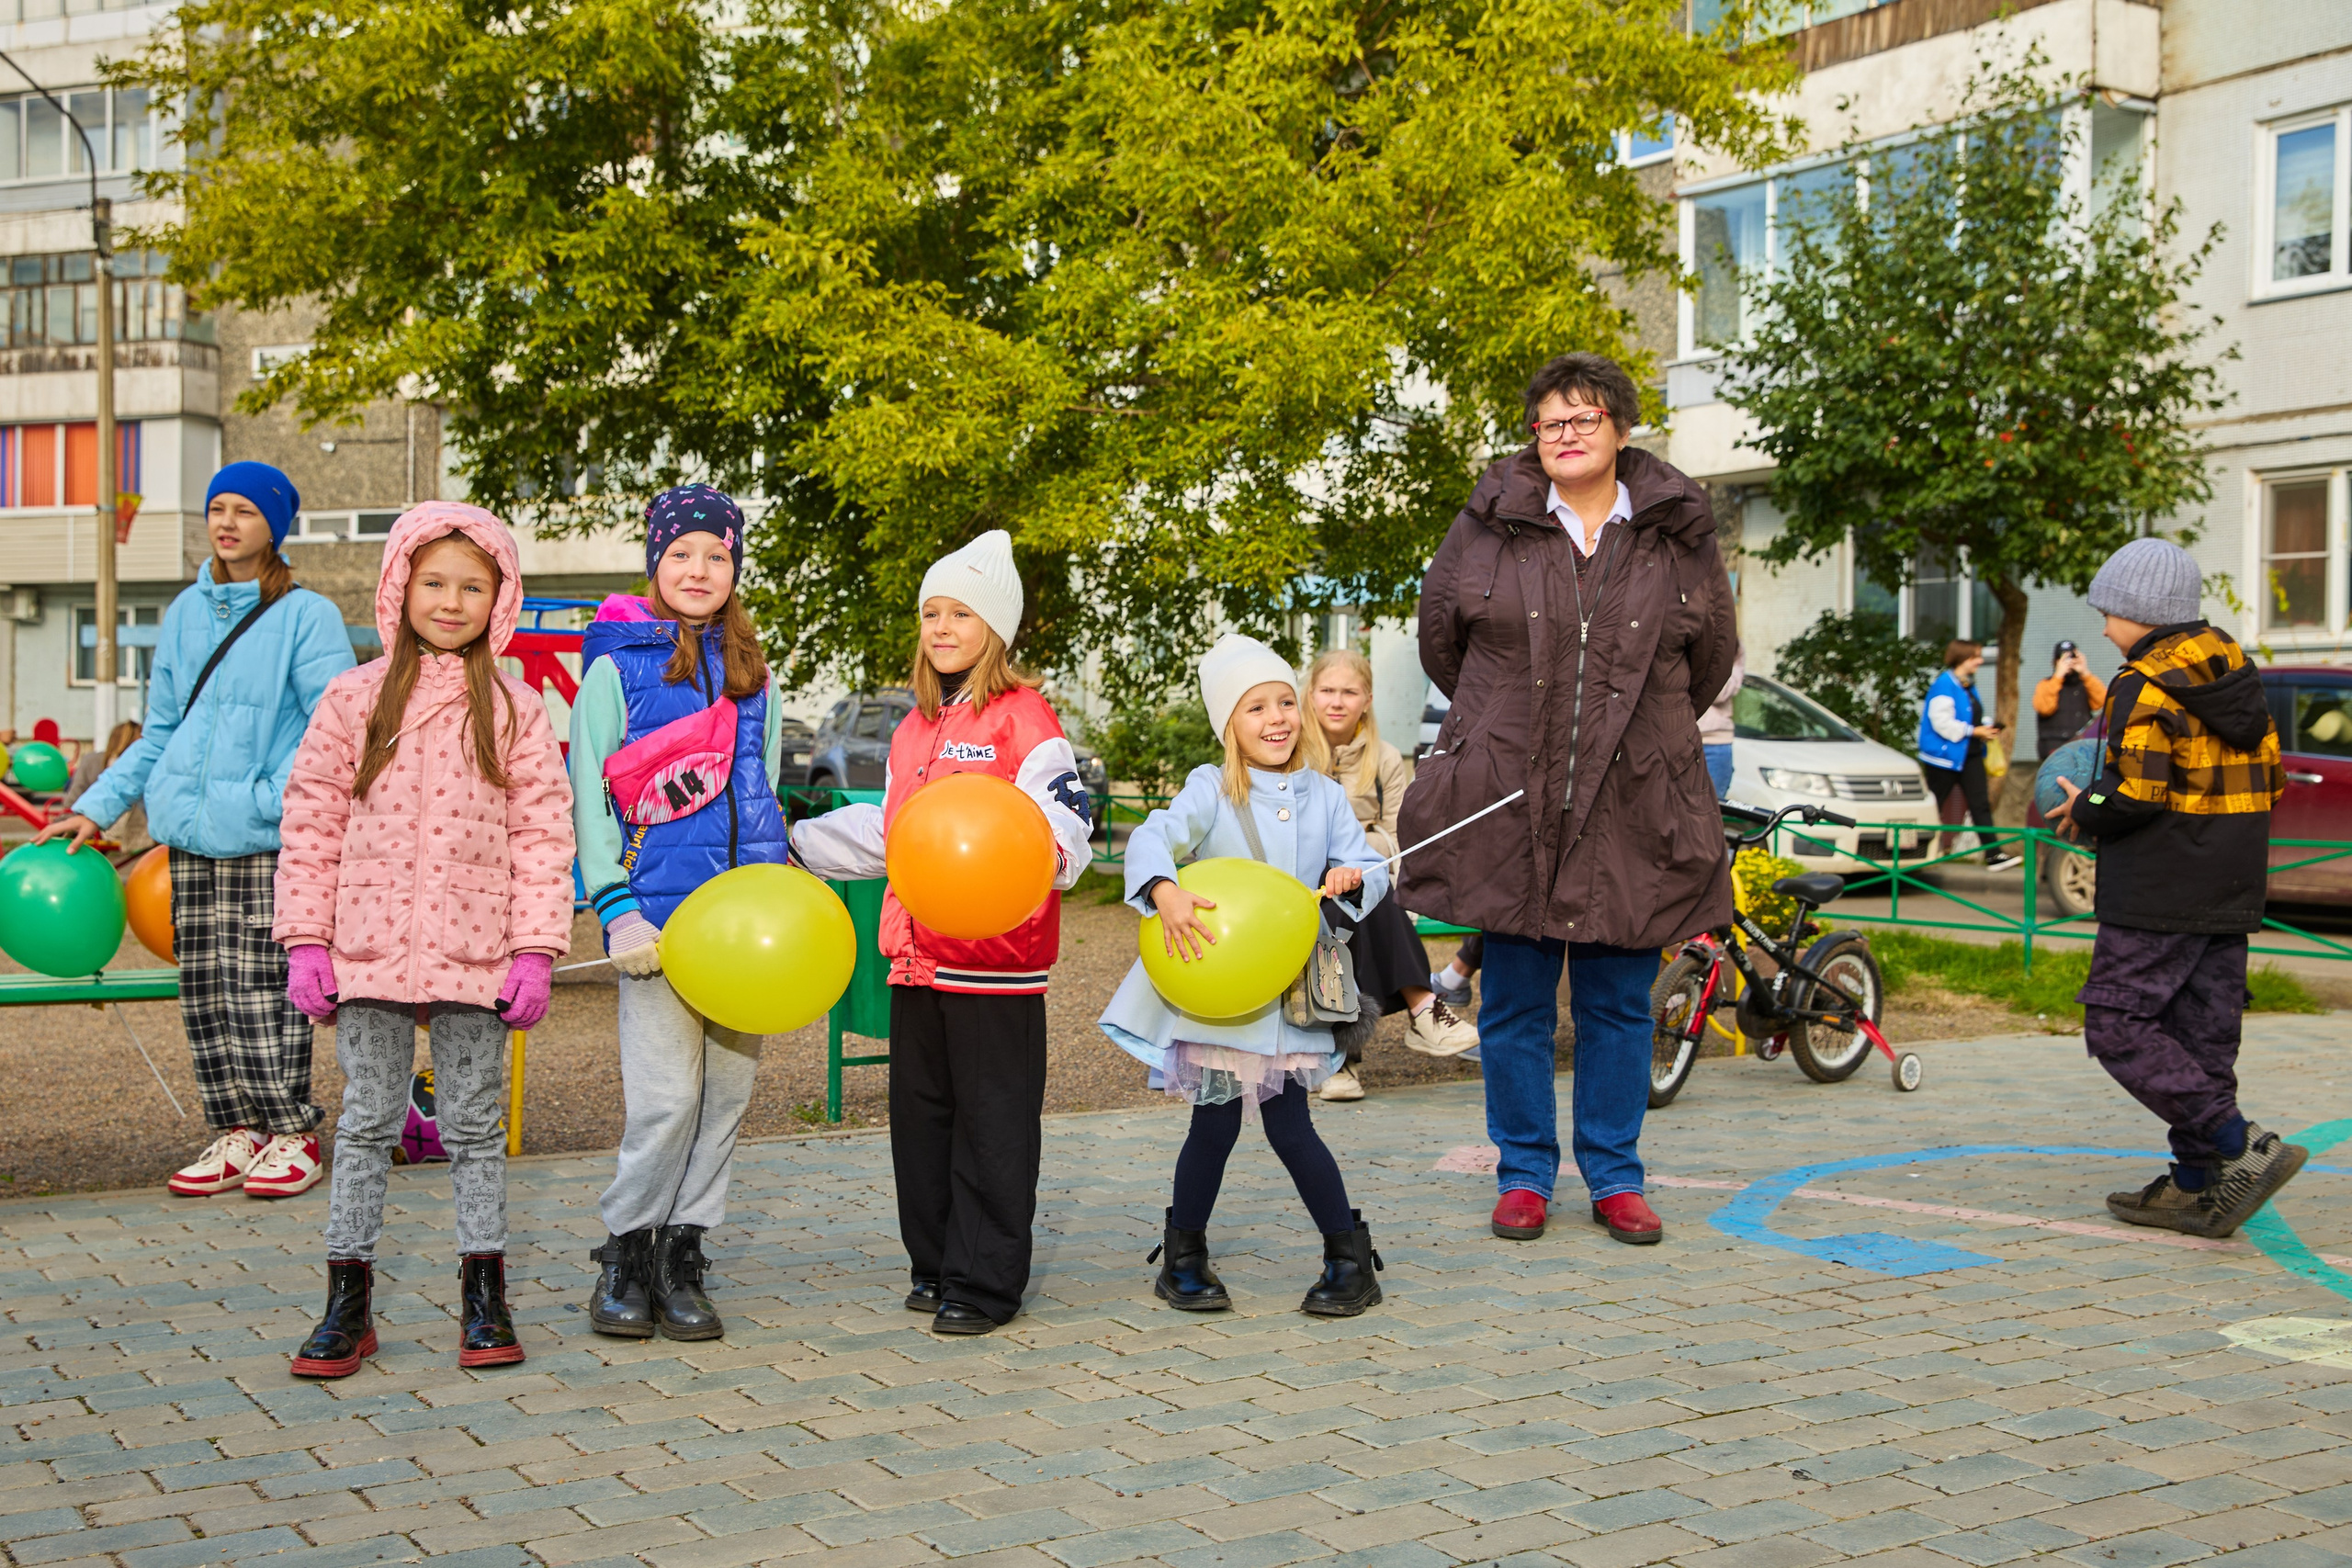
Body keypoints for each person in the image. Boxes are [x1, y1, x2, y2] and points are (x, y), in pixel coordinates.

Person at [1399, 351, 1737, 1247]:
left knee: (1617, 1005)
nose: (1566, 433)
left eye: (1585, 417)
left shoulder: (1675, 530)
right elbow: (1442, 638)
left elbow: (1707, 659)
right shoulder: (1489, 523)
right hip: (1514, 793)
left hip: (1634, 800)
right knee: (1514, 1002)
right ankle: (1523, 1174)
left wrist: (1641, 732)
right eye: (1550, 420)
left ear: (1621, 430)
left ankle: (1615, 1176)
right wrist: (1507, 722)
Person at [271, 503, 575, 1379]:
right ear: (400, 587)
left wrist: (533, 949)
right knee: (366, 1120)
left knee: (475, 1125)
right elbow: (313, 821)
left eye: (472, 587)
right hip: (367, 948)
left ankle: (485, 1296)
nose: (450, 601)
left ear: (499, 599)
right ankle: (346, 1301)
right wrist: (307, 939)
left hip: (476, 952)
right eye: (433, 582)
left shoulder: (515, 709)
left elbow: (542, 834)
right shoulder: (354, 697)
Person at [791, 532, 1092, 1336]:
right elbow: (895, 834)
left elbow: (1068, 835)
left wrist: (1028, 858)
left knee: (994, 1130)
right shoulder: (913, 726)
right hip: (916, 959)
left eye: (961, 612)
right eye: (931, 612)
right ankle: (934, 1264)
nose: (943, 627)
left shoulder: (1025, 718)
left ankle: (985, 1283)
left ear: (996, 627)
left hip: (996, 963)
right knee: (922, 1126)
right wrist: (795, 844)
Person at [42, 462, 355, 1200]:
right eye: (218, 508)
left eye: (245, 510)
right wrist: (99, 806)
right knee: (207, 992)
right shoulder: (185, 611)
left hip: (264, 835)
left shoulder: (306, 616)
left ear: (273, 526)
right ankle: (238, 1129)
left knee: (264, 989)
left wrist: (268, 799)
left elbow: (333, 729)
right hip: (187, 835)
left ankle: (291, 1132)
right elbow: (159, 731)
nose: (227, 522)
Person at [1102, 634, 1389, 1316]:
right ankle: (1184, 1257)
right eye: (1255, 707)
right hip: (1221, 997)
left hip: (1287, 996)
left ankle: (1349, 1259)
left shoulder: (1326, 794)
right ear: (1229, 723)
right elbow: (1155, 835)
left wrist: (1352, 877)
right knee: (1214, 1124)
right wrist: (1164, 889)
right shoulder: (1211, 787)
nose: (1276, 718)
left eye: (1285, 702)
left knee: (1292, 1127)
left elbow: (1369, 867)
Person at [571, 486, 795, 1343]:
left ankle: (682, 1255)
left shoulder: (755, 675)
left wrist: (777, 885)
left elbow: (762, 787)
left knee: (724, 1099)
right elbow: (589, 795)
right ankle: (626, 1252)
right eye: (682, 554)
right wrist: (615, 906)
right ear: (654, 563)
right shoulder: (615, 668)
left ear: (735, 568)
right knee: (667, 1100)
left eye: (717, 555)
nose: (699, 569)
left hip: (746, 930)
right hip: (657, 929)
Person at [2046, 537, 2304, 1238]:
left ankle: (2238, 1142)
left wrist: (2086, 806)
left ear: (2141, 612)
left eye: (2109, 613)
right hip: (2233, 882)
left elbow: (2139, 790)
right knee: (2202, 1037)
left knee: (2117, 1024)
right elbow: (2273, 779)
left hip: (2158, 885)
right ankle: (2197, 1186)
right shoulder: (2234, 670)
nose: (2105, 629)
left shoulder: (2144, 682)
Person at [1304, 649, 1477, 1101]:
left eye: (1349, 692)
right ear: (1310, 694)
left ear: (1367, 699)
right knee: (1348, 893)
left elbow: (1401, 835)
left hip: (1360, 875)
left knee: (1361, 890)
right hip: (1302, 878)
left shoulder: (1383, 757)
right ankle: (1423, 1008)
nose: (1336, 701)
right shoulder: (1293, 750)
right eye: (1327, 690)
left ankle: (1341, 1061)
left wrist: (1360, 857)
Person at [1917, 642, 2020, 872]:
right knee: (1934, 805)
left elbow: (1970, 716)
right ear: (1962, 658)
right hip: (1944, 758)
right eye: (1976, 657)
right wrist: (1974, 731)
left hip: (1969, 754)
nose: (1980, 661)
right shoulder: (1945, 684)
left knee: (1980, 804)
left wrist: (1985, 727)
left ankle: (1994, 855)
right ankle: (1916, 850)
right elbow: (1941, 722)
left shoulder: (1966, 684)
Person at [64, 720, 153, 862]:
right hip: (134, 827)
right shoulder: (140, 765)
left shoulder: (92, 760)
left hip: (99, 824)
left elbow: (72, 800)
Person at [2034, 638, 2107, 760]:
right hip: (2053, 746)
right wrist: (2058, 675)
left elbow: (2101, 702)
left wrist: (2085, 672)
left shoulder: (2087, 683)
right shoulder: (2046, 684)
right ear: (2054, 662)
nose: (2068, 662)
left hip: (2081, 745)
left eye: (2072, 657)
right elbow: (2044, 708)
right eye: (2062, 658)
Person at [1700, 646, 1743, 802]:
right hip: (1677, 739)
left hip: (1715, 744)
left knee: (1710, 809)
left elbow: (1719, 692)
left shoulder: (1732, 643)